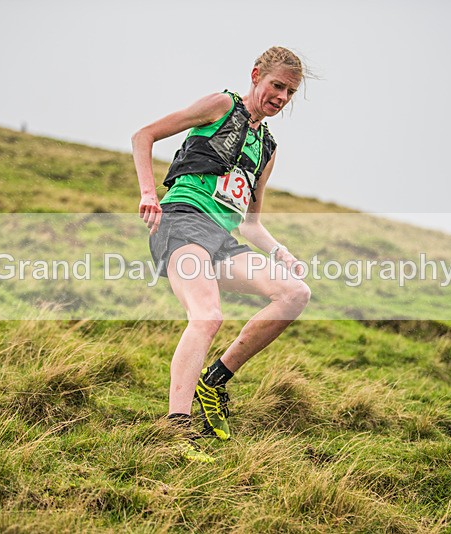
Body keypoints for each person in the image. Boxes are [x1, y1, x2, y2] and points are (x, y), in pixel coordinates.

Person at [132, 47, 312, 462]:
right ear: (256, 77)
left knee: (294, 293)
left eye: (290, 92)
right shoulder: (221, 105)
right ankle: (176, 428)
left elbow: (250, 223)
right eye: (276, 86)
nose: (282, 97)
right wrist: (147, 193)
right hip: (180, 222)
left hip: (222, 239)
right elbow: (143, 135)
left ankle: (215, 380)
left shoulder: (267, 146)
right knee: (208, 316)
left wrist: (282, 253)